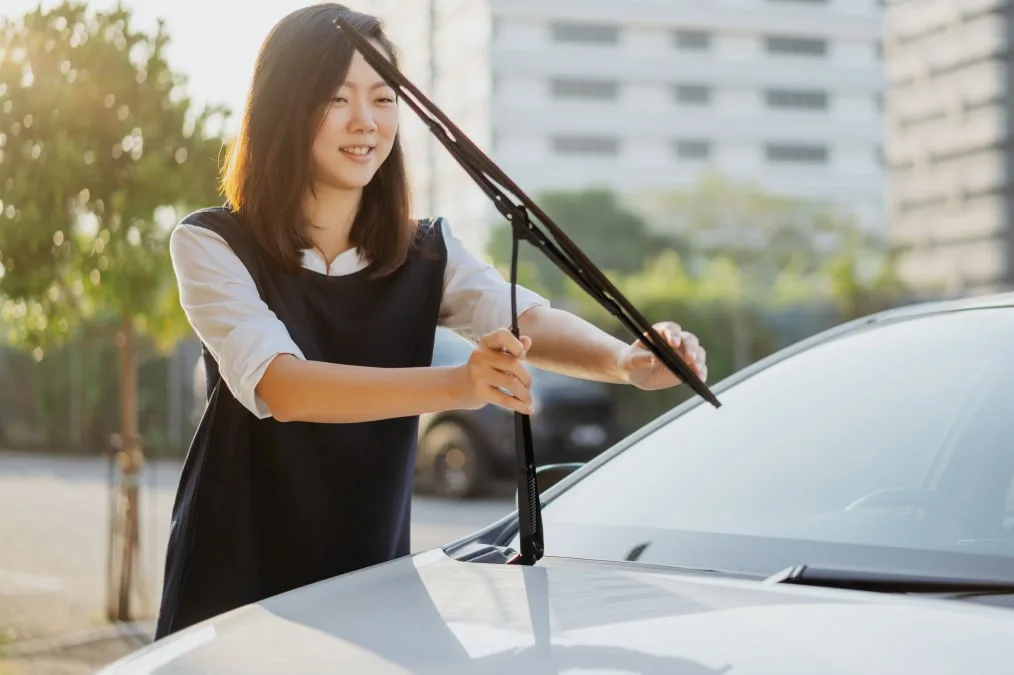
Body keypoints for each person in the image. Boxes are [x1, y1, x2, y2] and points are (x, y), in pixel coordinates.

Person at [155, 3, 707, 640]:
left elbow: (522, 315)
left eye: (383, 97)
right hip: (235, 587)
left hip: (371, 578)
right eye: (337, 98)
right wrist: (458, 387)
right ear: (285, 106)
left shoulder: (426, 253)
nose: (366, 121)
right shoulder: (212, 244)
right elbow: (284, 387)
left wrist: (624, 361)